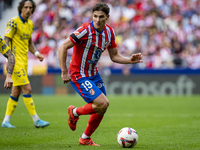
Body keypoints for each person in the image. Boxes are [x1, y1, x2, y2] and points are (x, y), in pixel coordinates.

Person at [58, 2, 143, 146]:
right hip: (78, 73)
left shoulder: (109, 32)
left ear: (107, 17)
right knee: (102, 103)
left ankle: (85, 138)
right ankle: (74, 113)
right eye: (95, 16)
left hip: (94, 73)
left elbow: (114, 56)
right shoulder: (85, 30)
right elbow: (63, 47)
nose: (97, 20)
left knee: (102, 108)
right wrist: (64, 71)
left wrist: (129, 60)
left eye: (101, 17)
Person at [1, 0, 49, 128]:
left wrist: (37, 53)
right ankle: (36, 120)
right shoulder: (13, 22)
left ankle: (6, 121)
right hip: (15, 61)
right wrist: (8, 59)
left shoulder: (30, 24)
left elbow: (29, 43)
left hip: (25, 61)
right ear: (20, 8)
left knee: (16, 91)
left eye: (30, 7)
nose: (28, 10)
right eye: (26, 7)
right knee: (27, 88)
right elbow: (5, 42)